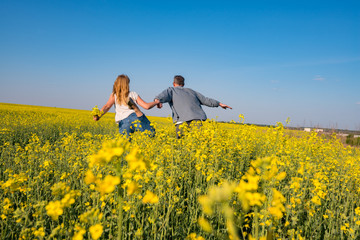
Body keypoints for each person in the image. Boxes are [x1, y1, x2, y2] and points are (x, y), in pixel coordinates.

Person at [154, 75, 232, 138]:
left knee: (181, 144)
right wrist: (219, 104)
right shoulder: (192, 91)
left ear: (174, 84)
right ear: (183, 84)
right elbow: (206, 100)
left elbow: (161, 96)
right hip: (196, 119)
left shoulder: (171, 90)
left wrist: (157, 101)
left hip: (181, 121)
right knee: (197, 142)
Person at [94, 74, 160, 137]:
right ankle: (136, 110)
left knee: (125, 145)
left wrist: (99, 115)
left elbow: (107, 106)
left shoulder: (114, 95)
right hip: (135, 117)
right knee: (151, 133)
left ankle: (136, 109)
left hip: (123, 121)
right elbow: (146, 106)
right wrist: (156, 102)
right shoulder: (133, 94)